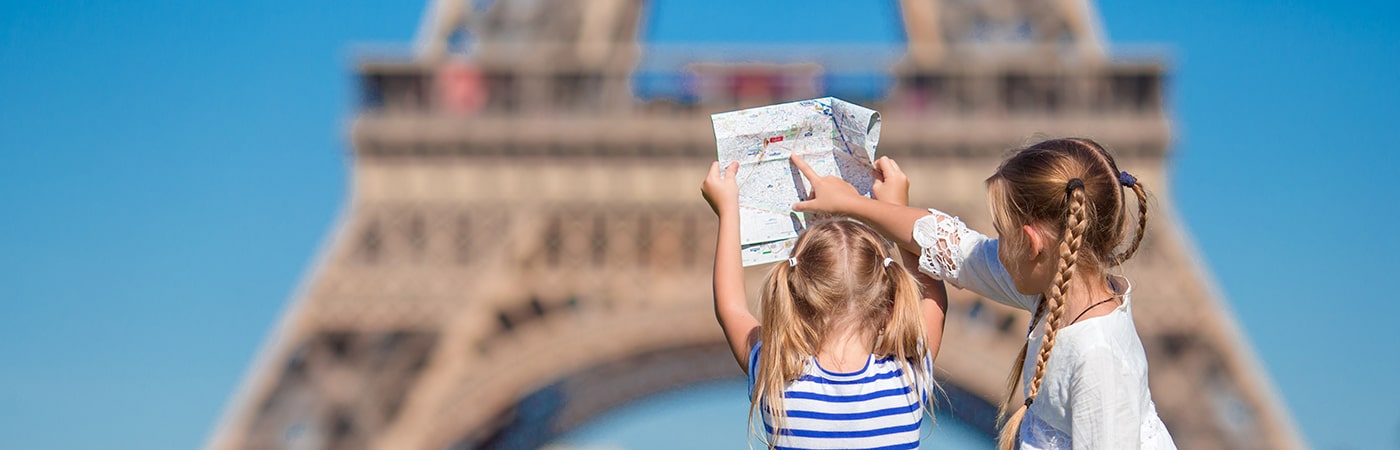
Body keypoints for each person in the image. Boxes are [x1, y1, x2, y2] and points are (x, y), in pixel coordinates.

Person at [789, 137, 1177, 449]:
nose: (995, 246)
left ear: (1030, 243)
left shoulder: (1100, 357)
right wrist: (861, 207)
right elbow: (953, 249)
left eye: (1000, 233)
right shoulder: (1055, 288)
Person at [701, 159, 949, 449]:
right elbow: (934, 297)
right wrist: (895, 208)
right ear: (890, 301)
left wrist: (728, 210)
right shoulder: (907, 376)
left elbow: (731, 307)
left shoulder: (777, 375)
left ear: (793, 302)